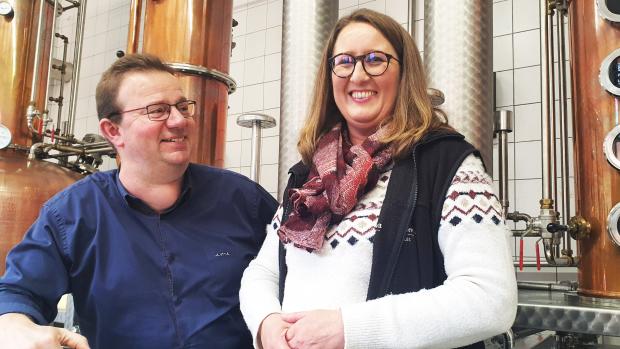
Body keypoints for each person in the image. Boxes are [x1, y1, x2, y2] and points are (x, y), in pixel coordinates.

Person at [239, 9, 517, 349]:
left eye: (375, 59)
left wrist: (348, 329)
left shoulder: (445, 163)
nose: (358, 75)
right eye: (344, 61)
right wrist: (266, 323)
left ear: (404, 73)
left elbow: (490, 299)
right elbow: (263, 272)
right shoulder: (309, 175)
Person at [0, 53, 277, 349]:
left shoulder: (243, 200)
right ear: (113, 131)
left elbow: (299, 269)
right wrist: (14, 326)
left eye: (183, 107)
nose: (179, 120)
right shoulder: (73, 213)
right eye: (158, 110)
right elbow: (17, 292)